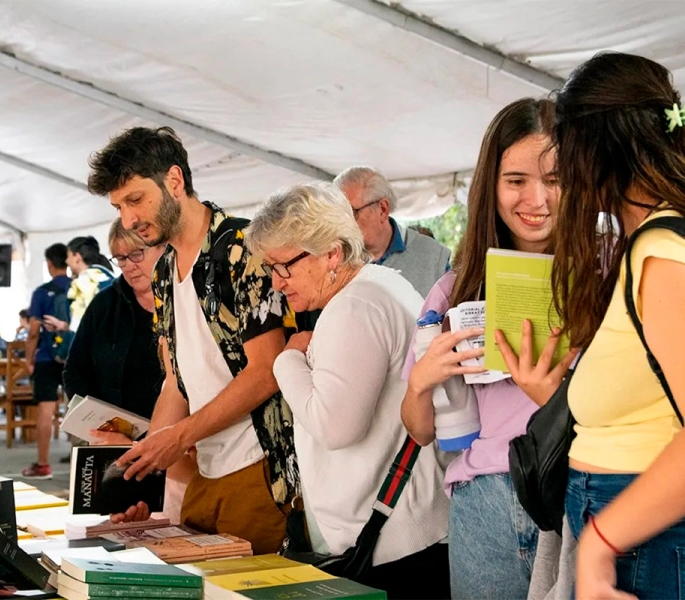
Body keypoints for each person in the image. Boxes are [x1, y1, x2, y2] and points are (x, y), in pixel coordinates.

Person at [87, 126, 298, 555]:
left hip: (259, 469)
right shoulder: (164, 269)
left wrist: (178, 438)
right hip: (204, 469)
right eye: (119, 206)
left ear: (175, 181)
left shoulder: (242, 247)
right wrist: (145, 466)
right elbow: (175, 382)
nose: (128, 219)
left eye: (135, 199)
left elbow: (266, 372)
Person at [400, 98, 572, 598]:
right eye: (516, 180)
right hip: (483, 504)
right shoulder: (454, 292)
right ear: (490, 186)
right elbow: (420, 430)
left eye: (555, 179)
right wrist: (421, 381)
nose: (536, 199)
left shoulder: (603, 283)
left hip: (571, 490)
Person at [246, 183, 451, 599]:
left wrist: (285, 362)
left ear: (332, 253)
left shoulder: (354, 307)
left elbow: (335, 426)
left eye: (284, 266)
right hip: (404, 531)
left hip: (388, 544)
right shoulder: (382, 287)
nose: (277, 282)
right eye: (270, 268)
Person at [537, 53, 685, 599]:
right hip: (638, 534)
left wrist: (601, 543)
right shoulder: (646, 243)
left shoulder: (661, 249)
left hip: (647, 541)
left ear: (596, 148)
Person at [63, 220, 165, 420]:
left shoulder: (185, 299)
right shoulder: (104, 304)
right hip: (112, 434)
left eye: (136, 254)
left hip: (178, 438)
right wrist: (97, 423)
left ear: (162, 248)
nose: (129, 266)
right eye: (121, 258)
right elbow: (75, 370)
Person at [335, 166, 452, 297]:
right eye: (338, 216)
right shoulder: (333, 259)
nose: (342, 224)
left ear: (383, 209)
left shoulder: (433, 257)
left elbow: (453, 312)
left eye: (352, 213)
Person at [22, 243, 72, 479]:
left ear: (49, 264)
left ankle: (43, 464)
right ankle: (82, 458)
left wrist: (28, 359)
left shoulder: (41, 293)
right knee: (80, 407)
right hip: (74, 356)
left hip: (45, 358)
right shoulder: (78, 289)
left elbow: (33, 331)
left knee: (45, 411)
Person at [62, 236, 114, 332]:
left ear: (77, 257)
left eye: (68, 256)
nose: (66, 261)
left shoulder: (82, 284)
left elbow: (79, 328)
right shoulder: (108, 279)